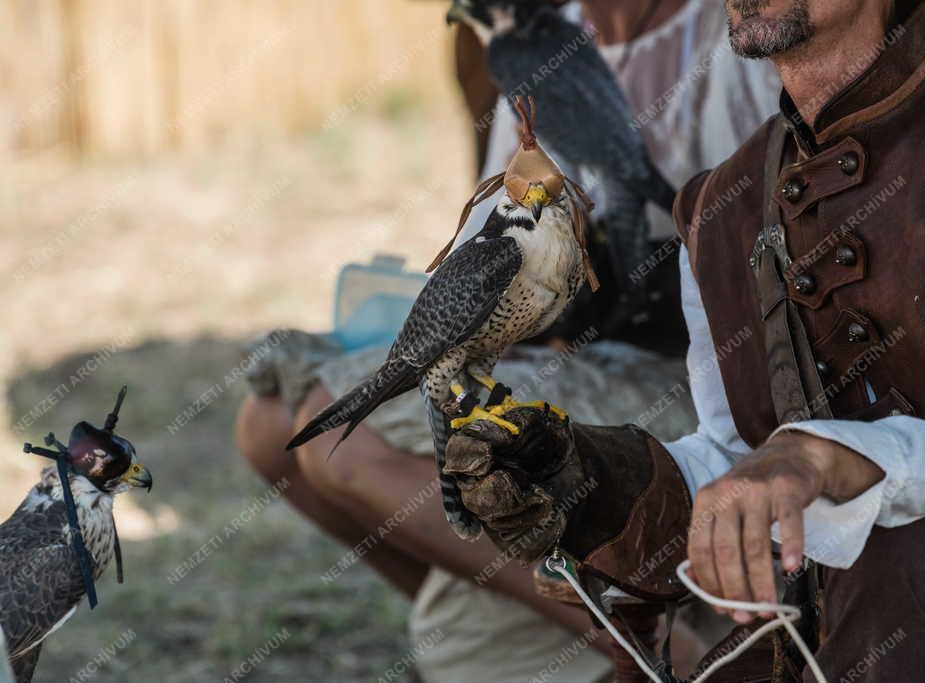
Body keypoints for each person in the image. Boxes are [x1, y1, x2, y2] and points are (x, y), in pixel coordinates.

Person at [444, 0, 925, 680]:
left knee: (906, 553)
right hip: (829, 644)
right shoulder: (723, 210)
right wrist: (596, 482)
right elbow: (737, 457)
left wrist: (821, 459)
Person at [235, 1, 779, 681]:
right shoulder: (531, 42)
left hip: (698, 368)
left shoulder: (740, 29)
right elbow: (499, 231)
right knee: (267, 424)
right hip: (564, 335)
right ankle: (574, 617)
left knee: (332, 442)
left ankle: (649, 644)